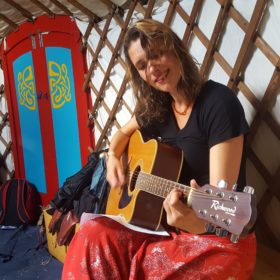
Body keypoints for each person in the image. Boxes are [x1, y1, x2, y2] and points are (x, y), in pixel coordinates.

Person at [62, 19, 256, 279]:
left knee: (150, 267)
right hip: (163, 228)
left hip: (215, 238)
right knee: (90, 235)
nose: (152, 68)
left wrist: (190, 223)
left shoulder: (219, 104)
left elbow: (220, 214)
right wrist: (112, 157)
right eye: (142, 65)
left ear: (174, 47)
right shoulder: (158, 108)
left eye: (156, 54)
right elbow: (121, 135)